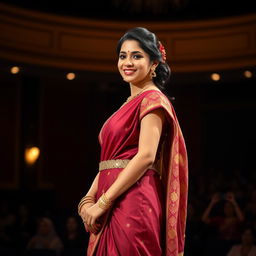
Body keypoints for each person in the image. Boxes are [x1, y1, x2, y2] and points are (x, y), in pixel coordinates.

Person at [78, 27, 188, 256]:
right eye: (123, 55)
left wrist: (102, 202)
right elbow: (111, 161)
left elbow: (146, 156)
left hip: (133, 202)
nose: (127, 62)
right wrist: (88, 199)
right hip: (110, 200)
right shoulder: (129, 103)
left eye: (137, 56)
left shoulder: (153, 99)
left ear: (154, 64)